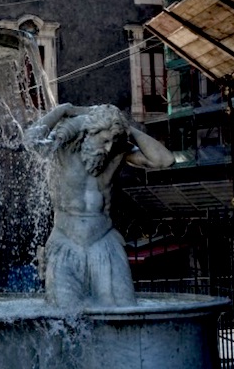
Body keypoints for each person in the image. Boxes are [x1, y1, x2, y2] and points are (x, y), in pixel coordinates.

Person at [25, 103, 174, 307]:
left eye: (113, 140)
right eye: (104, 140)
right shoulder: (62, 150)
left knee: (123, 309)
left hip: (104, 241)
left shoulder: (118, 153)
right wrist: (63, 110)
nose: (108, 147)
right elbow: (30, 140)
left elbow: (164, 160)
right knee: (62, 315)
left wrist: (128, 128)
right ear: (89, 133)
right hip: (65, 241)